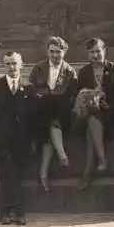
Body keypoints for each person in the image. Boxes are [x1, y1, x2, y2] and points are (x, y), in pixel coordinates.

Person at [0, 51, 37, 226]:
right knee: (7, 170)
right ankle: (17, 211)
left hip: (22, 140)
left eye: (14, 63)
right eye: (7, 64)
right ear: (4, 66)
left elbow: (35, 116)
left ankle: (8, 210)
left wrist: (33, 138)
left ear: (21, 65)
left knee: (15, 173)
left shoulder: (29, 88)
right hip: (1, 140)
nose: (11, 67)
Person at [29, 36, 77, 191]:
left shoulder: (70, 71)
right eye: (52, 52)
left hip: (62, 112)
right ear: (48, 52)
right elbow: (31, 89)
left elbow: (72, 95)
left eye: (59, 52)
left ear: (64, 53)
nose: (55, 56)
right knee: (49, 120)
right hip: (41, 111)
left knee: (52, 125)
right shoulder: (39, 68)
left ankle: (43, 173)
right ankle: (62, 155)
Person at [74, 38, 114, 190]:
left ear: (104, 51)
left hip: (108, 114)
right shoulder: (84, 71)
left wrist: (104, 102)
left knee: (91, 129)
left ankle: (88, 173)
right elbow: (79, 94)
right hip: (89, 112)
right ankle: (101, 160)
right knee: (91, 118)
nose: (95, 55)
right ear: (88, 54)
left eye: (98, 51)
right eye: (92, 52)